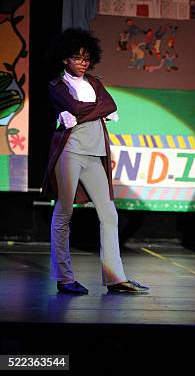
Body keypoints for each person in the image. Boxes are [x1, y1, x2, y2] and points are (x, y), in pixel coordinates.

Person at [42, 28, 148, 294]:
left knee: (109, 214)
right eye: (77, 58)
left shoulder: (95, 83)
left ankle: (114, 277)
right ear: (65, 59)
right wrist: (91, 111)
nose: (83, 63)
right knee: (64, 212)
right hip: (70, 151)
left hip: (95, 153)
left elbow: (108, 105)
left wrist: (83, 112)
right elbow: (79, 108)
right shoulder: (57, 85)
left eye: (87, 58)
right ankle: (64, 277)